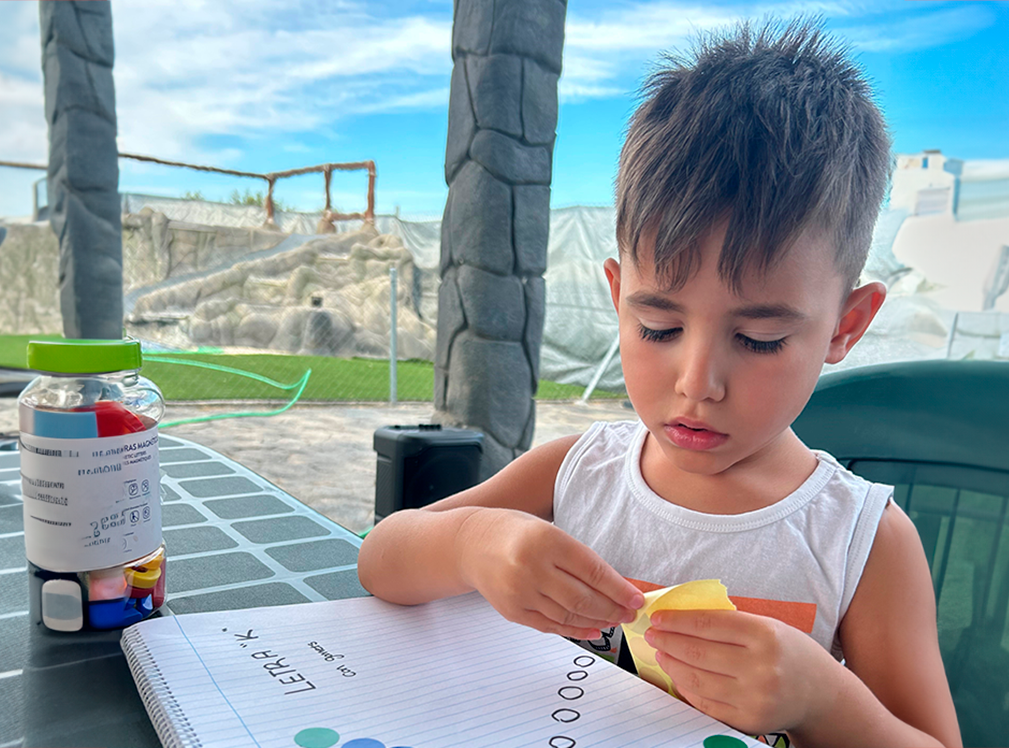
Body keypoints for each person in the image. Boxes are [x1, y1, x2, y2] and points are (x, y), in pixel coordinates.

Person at [359, 18, 961, 748]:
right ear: (618, 298)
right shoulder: (577, 472)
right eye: (658, 327)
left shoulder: (860, 542)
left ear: (846, 325)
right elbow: (381, 559)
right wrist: (474, 543)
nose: (697, 383)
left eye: (759, 339)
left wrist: (824, 701)